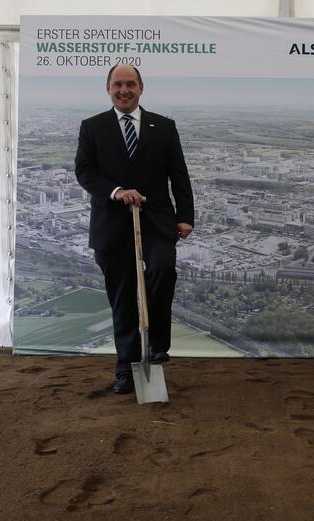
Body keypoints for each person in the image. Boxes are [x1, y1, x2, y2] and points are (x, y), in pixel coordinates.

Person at [75, 64, 195, 394]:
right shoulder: (92, 127)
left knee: (162, 269)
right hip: (111, 224)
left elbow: (179, 175)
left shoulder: (164, 126)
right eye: (117, 84)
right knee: (123, 299)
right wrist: (116, 192)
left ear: (141, 88)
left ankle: (156, 344)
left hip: (156, 221)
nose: (123, 90)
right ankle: (126, 370)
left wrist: (185, 216)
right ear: (108, 88)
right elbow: (84, 172)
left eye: (130, 84)